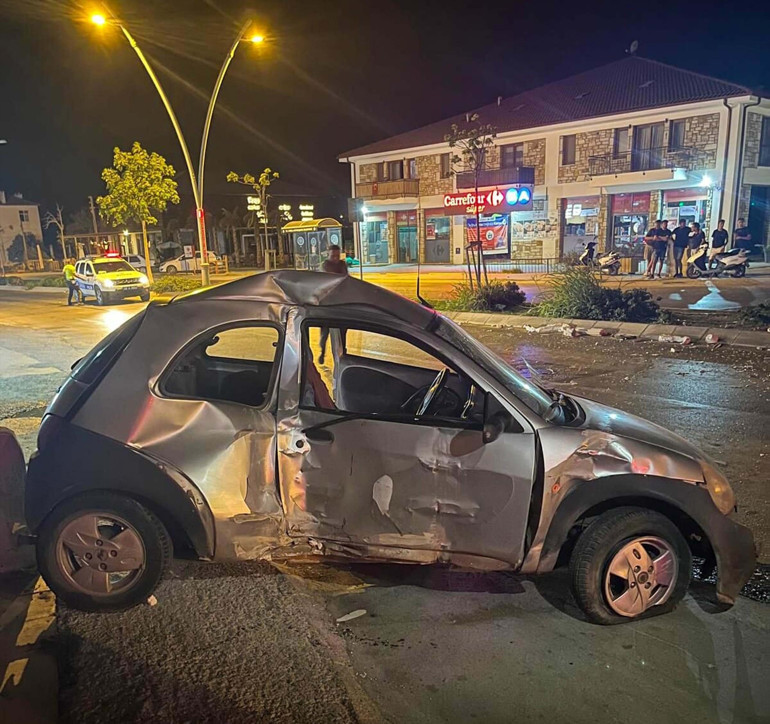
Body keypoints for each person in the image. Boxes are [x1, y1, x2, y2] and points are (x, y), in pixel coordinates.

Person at [319, 245, 349, 364]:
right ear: (328, 254)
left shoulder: (342, 264)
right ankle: (322, 351)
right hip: (327, 304)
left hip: (340, 304)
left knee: (343, 330)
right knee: (324, 330)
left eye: (337, 255)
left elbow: (345, 278)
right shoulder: (325, 265)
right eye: (333, 256)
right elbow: (327, 280)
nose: (335, 258)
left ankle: (343, 352)